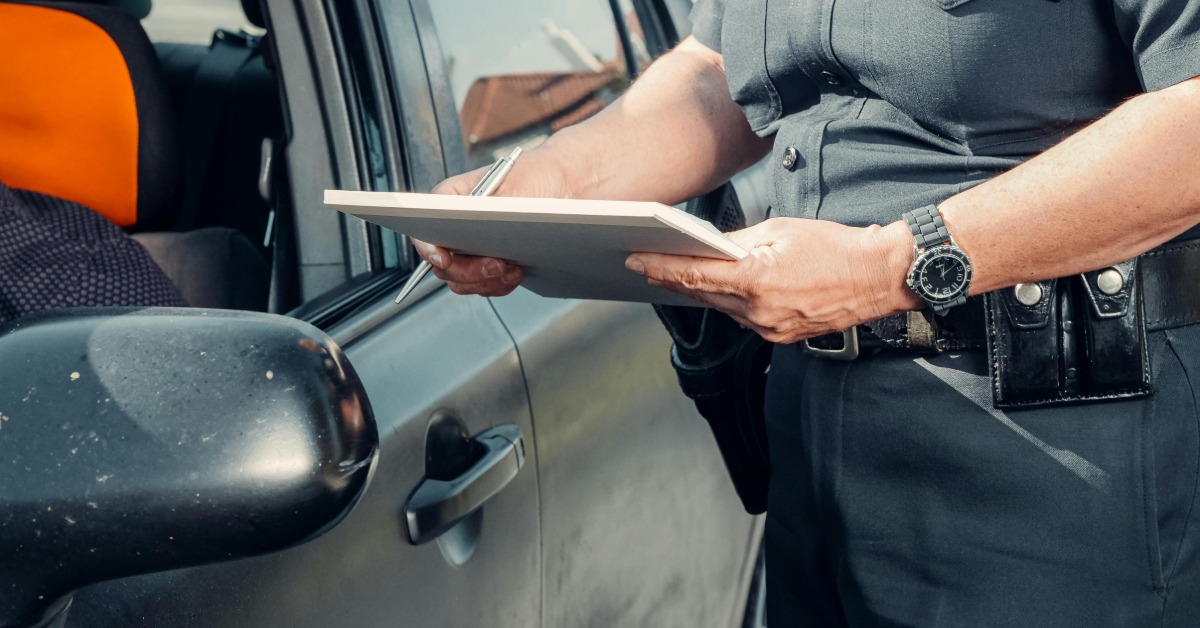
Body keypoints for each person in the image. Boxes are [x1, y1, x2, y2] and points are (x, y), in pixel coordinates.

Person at [414, 1, 1200, 625]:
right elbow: (726, 71)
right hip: (812, 442)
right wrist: (546, 181)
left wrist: (893, 263)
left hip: (1053, 456)